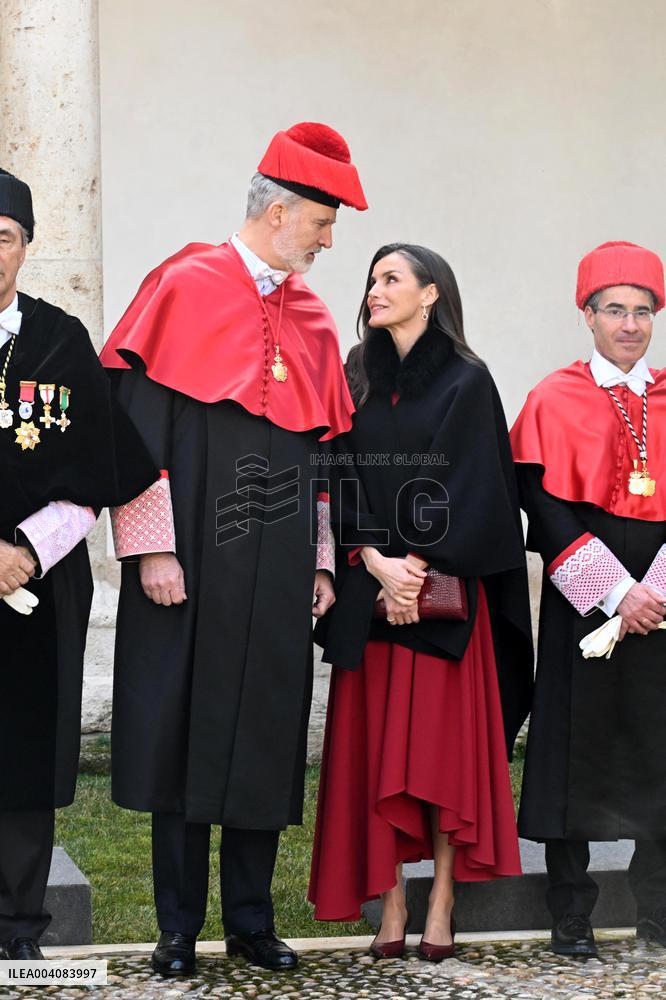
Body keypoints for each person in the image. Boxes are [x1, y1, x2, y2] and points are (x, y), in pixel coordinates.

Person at [99, 122, 367, 976]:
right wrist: (151, 550)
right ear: (281, 210)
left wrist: (322, 562)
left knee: (264, 732)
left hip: (279, 567)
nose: (330, 241)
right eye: (323, 223)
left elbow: (322, 460)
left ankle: (251, 920)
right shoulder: (182, 285)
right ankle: (176, 928)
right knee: (181, 733)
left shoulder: (315, 320)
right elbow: (137, 439)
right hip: (190, 561)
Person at [308, 243, 534, 961]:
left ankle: (440, 897)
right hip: (371, 594)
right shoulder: (354, 375)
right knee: (376, 756)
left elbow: (473, 483)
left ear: (430, 293)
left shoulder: (468, 380)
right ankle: (393, 903)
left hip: (443, 601)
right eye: (372, 279)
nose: (375, 290)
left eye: (391, 279)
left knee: (439, 760)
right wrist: (375, 561)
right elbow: (336, 470)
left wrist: (417, 567)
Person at [0, 168, 156, 960]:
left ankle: (19, 929)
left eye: (3, 237)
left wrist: (24, 552)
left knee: (24, 754)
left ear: (27, 246)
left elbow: (101, 468)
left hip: (39, 579)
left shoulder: (62, 341)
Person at [511, 241, 666, 957]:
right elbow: (544, 510)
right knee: (575, 754)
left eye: (643, 312)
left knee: (659, 753)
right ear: (588, 315)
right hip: (585, 604)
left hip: (663, 606)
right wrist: (614, 594)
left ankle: (658, 913)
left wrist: (654, 593)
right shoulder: (554, 397)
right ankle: (570, 913)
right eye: (615, 310)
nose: (630, 325)